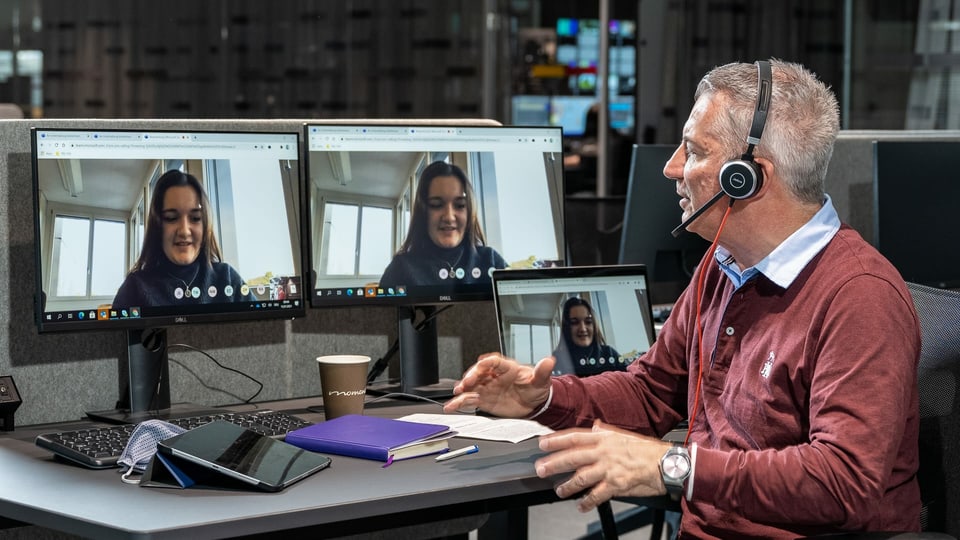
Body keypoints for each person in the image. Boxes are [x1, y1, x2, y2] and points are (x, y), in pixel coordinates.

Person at [444, 59, 921, 537]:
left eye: (693, 151)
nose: (672, 167)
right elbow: (651, 392)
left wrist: (674, 466)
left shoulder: (859, 297)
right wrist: (543, 398)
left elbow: (844, 483)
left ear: (748, 177)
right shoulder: (723, 266)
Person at [112, 169, 256, 308]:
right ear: (157, 226)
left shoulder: (228, 278)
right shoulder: (134, 288)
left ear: (205, 225)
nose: (184, 231)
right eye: (171, 218)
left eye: (195, 218)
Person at [379, 161, 507, 289]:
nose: (449, 217)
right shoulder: (400, 269)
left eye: (460, 205)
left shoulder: (491, 261)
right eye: (436, 205)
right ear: (423, 212)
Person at [551, 296, 624, 377]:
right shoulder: (557, 360)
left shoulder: (609, 354)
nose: (583, 329)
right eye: (575, 322)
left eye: (588, 322)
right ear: (566, 327)